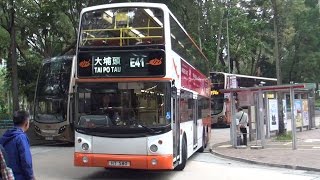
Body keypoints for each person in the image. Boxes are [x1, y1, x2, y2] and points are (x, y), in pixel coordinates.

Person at [0, 110, 35, 180]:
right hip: (20, 176)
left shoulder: (5, 135)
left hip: (7, 176)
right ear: (26, 123)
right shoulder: (21, 138)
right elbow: (26, 161)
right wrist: (31, 177)